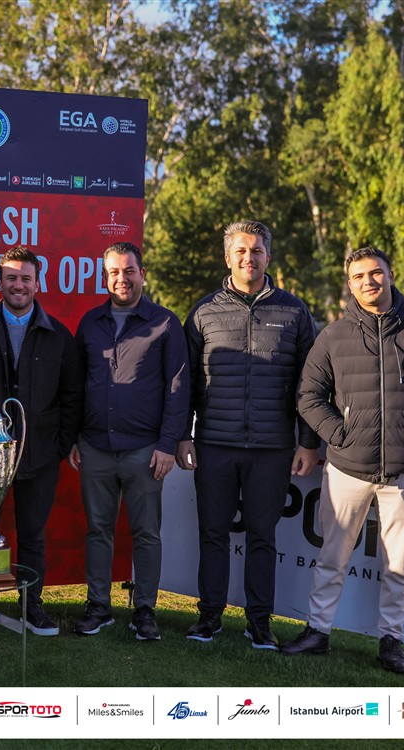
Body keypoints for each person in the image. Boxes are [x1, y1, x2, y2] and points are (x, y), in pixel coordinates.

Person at [283, 247, 404, 673]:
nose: (369, 281)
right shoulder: (333, 336)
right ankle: (317, 631)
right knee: (331, 558)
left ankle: (391, 641)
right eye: (359, 276)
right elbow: (309, 396)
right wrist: (340, 435)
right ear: (350, 284)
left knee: (399, 566)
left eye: (376, 273)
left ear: (390, 275)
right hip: (346, 469)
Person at [175, 220, 319, 649]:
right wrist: (183, 435)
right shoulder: (203, 312)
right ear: (228, 257)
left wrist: (308, 442)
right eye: (240, 250)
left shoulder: (295, 311)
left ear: (268, 257)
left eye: (256, 250)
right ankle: (209, 616)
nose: (248, 258)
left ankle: (259, 621)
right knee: (213, 533)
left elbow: (310, 384)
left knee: (262, 536)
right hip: (214, 445)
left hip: (272, 448)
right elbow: (185, 381)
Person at [0, 245, 83, 636]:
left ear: (37, 283)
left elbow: (72, 397)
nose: (18, 285)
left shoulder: (59, 336)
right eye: (11, 277)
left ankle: (32, 605)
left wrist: (59, 445)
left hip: (39, 453)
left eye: (26, 278)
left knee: (32, 534)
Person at [69, 242, 189, 641]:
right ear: (105, 277)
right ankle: (98, 605)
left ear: (142, 274)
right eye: (114, 272)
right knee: (98, 531)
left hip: (145, 450)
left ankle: (145, 610)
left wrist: (167, 444)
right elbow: (76, 385)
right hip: (95, 447)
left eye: (129, 271)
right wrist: (75, 437)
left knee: (146, 533)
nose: (122, 279)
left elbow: (177, 389)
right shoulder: (90, 323)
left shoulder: (165, 323)